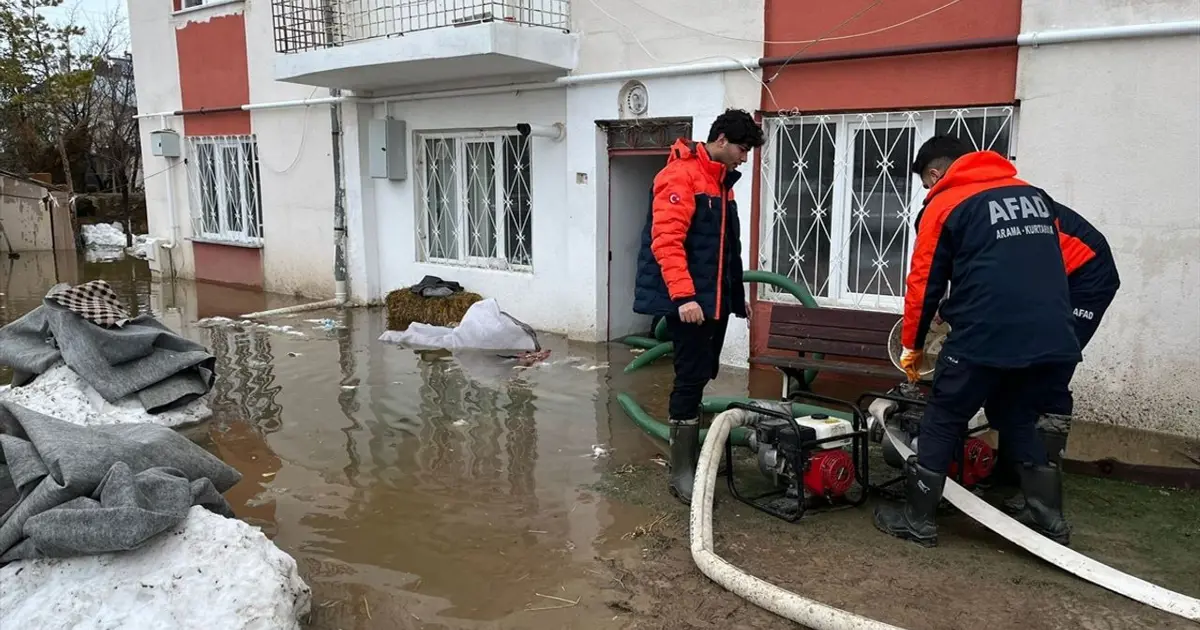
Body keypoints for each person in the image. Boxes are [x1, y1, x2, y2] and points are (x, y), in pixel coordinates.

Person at [874, 135, 1080, 547]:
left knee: (945, 415)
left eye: (927, 183)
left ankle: (918, 520)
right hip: (1050, 333)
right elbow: (1016, 267)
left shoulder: (946, 204)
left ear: (936, 173)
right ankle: (1047, 519)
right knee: (1016, 414)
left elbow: (924, 283)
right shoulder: (1034, 196)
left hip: (985, 334)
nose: (928, 191)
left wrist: (913, 347)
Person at [632, 109, 765, 505]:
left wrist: (736, 299)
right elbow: (667, 242)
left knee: (705, 372)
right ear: (722, 140)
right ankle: (682, 472)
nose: (745, 158)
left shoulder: (722, 183)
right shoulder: (680, 176)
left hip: (714, 301)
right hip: (690, 302)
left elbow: (724, 251)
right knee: (689, 377)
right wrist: (685, 297)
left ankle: (695, 455)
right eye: (743, 150)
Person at [998, 192, 1120, 511]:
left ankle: (1041, 488)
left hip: (1087, 278)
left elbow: (1008, 283)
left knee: (1048, 372)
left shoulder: (1004, 214)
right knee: (1015, 373)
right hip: (1054, 275)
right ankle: (1014, 469)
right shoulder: (986, 213)